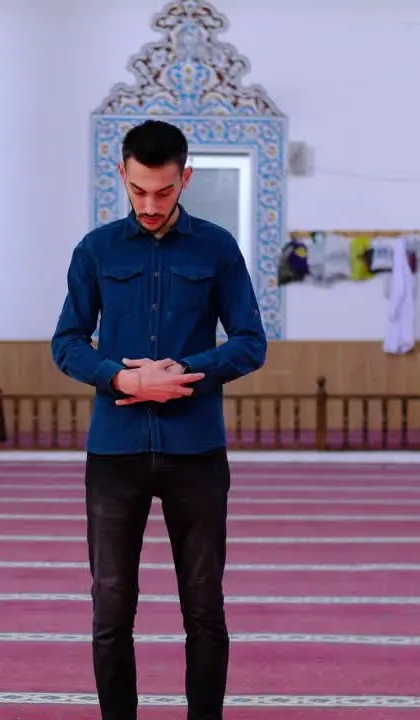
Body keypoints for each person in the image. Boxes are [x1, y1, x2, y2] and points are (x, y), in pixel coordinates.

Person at [50, 119, 268, 720]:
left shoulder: (218, 248)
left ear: (185, 179)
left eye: (164, 192)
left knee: (203, 606)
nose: (150, 205)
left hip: (195, 452)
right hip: (114, 453)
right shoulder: (95, 251)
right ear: (121, 174)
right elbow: (67, 342)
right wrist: (122, 378)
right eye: (139, 190)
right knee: (111, 609)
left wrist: (186, 372)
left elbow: (251, 342)